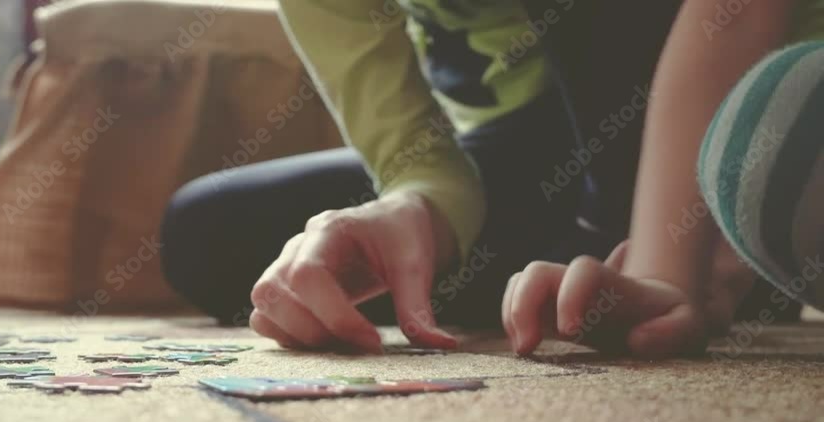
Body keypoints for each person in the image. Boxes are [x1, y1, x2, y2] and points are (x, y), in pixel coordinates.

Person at [161, 0, 822, 356]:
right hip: (520, 151)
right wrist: (413, 210)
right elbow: (420, 154)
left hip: (737, 100)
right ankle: (578, 279)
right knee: (209, 231)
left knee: (776, 152)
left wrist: (670, 268)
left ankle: (726, 253)